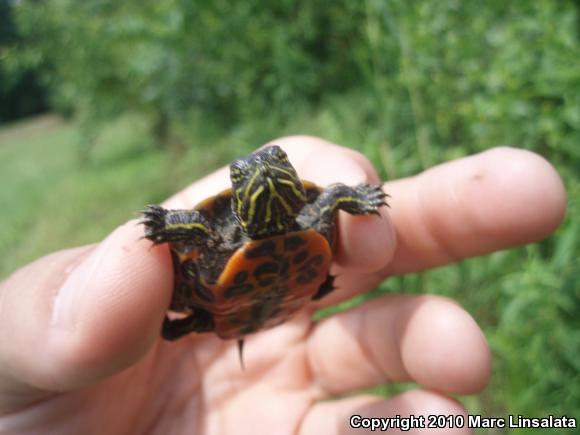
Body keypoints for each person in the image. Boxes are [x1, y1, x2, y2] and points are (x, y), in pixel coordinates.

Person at [0, 136, 566, 434]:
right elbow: (192, 235)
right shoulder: (216, 227)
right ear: (242, 191)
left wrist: (358, 198)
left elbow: (334, 198)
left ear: (290, 177)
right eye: (248, 174)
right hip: (225, 309)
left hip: (279, 298)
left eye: (274, 163)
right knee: (179, 315)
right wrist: (165, 226)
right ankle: (204, 318)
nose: (263, 170)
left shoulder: (311, 206)